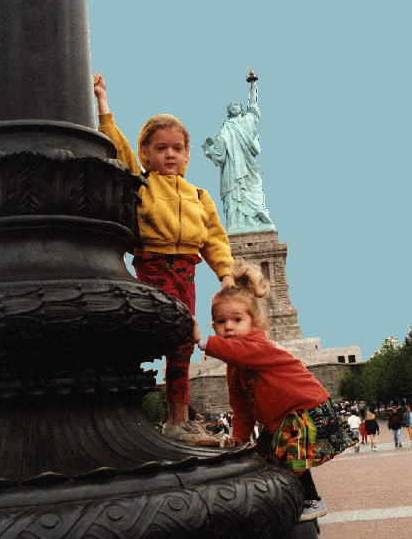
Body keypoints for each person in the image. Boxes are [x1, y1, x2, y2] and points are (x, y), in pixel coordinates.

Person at [93, 73, 234, 446]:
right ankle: (122, 409)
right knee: (148, 333)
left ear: (187, 154)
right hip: (152, 270)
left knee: (183, 344)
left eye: (177, 148)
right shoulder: (141, 184)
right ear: (146, 153)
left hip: (186, 274)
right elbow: (116, 148)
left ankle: (178, 420)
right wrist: (103, 104)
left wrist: (225, 274)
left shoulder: (199, 195)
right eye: (160, 148)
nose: (169, 154)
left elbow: (215, 239)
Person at [193, 259, 357, 521]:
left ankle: (312, 500)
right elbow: (241, 406)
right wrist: (239, 434)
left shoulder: (258, 345)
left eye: (237, 319)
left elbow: (236, 351)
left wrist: (202, 342)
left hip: (303, 410)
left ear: (254, 322)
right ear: (214, 325)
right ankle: (291, 501)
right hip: (279, 422)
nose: (229, 327)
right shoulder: (235, 365)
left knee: (291, 460)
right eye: (221, 321)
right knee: (265, 460)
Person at [202, 76, 275, 235]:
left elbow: (253, 107)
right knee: (235, 192)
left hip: (246, 164)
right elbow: (220, 150)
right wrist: (209, 147)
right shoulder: (227, 127)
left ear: (241, 109)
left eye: (237, 105)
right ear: (228, 113)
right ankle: (236, 223)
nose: (234, 107)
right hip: (233, 166)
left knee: (251, 190)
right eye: (231, 107)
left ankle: (256, 217)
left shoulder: (247, 120)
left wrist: (253, 86)